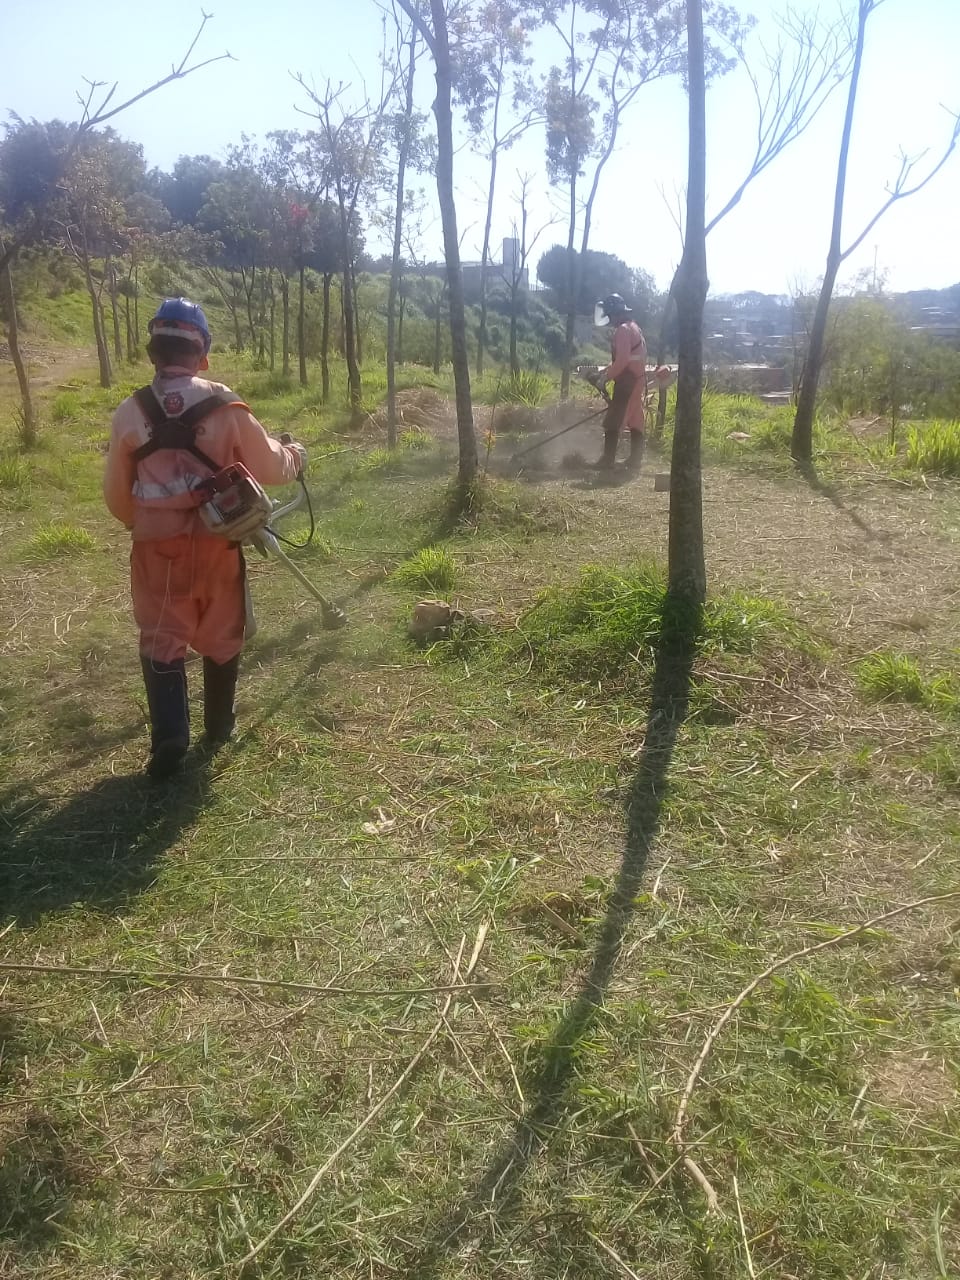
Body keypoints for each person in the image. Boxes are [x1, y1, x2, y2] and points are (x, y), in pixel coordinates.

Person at [104, 297, 306, 780]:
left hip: (157, 549)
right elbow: (271, 466)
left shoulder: (130, 413)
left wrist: (143, 522)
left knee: (162, 635)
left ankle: (171, 734)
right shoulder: (223, 403)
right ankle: (219, 726)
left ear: (154, 351)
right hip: (220, 542)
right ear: (203, 353)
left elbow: (116, 496)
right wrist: (296, 454)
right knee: (221, 630)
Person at [591, 293, 648, 474]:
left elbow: (622, 360)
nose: (610, 319)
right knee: (636, 419)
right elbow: (627, 358)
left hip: (627, 381)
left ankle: (607, 460)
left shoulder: (622, 330)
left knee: (614, 419)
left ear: (615, 313)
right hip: (637, 379)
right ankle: (635, 460)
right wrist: (606, 371)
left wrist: (606, 378)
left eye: (610, 315)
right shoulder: (634, 327)